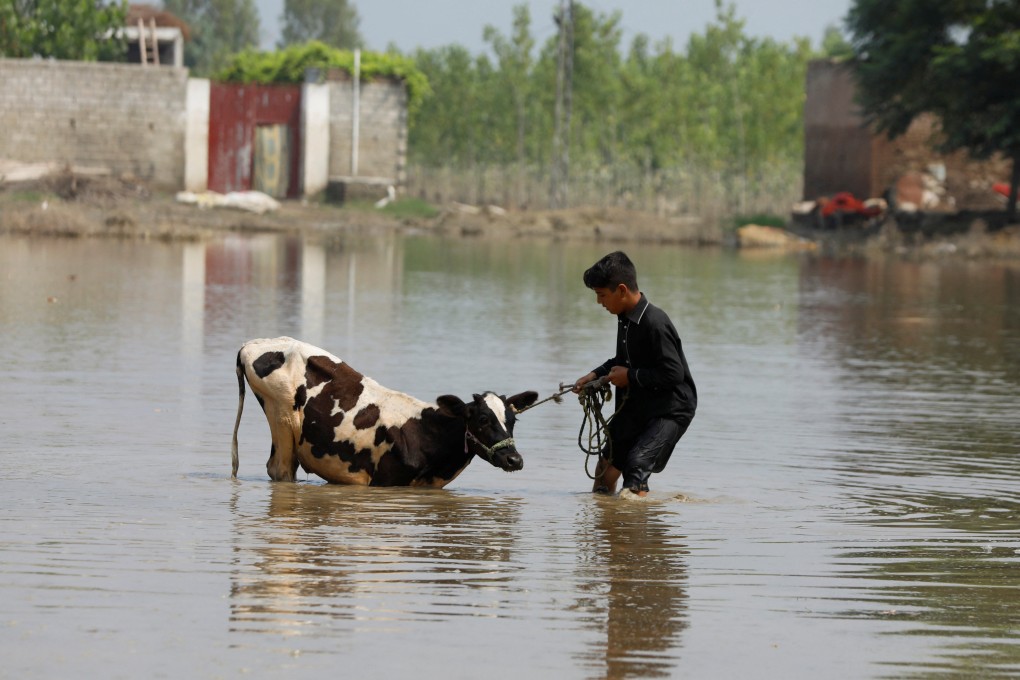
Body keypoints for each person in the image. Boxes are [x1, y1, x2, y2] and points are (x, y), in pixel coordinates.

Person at [573, 251, 697, 498]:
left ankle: (633, 530)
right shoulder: (625, 318)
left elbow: (673, 374)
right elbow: (623, 361)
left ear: (621, 290)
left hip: (670, 408)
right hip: (638, 403)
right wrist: (595, 374)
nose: (599, 302)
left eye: (601, 295)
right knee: (606, 463)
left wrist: (630, 377)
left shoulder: (655, 322)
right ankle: (607, 523)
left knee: (637, 464)